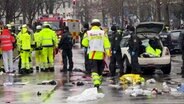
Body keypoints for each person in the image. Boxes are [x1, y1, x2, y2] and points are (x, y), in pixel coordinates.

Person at [82, 19, 111, 88]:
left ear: (91, 25)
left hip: (92, 54)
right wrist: (109, 54)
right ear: (99, 25)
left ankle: (96, 82)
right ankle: (99, 81)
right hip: (101, 54)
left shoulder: (88, 33)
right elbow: (107, 44)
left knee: (94, 69)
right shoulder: (103, 33)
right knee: (100, 69)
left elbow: (84, 43)